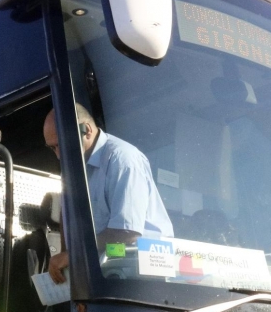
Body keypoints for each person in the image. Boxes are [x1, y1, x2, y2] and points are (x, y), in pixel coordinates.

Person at [43, 105, 173, 282]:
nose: (58, 155)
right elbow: (68, 219)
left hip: (145, 277)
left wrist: (74, 255)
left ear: (86, 131)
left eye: (61, 145)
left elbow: (127, 232)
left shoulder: (122, 159)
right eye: (53, 148)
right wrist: (70, 265)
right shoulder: (74, 169)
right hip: (107, 275)